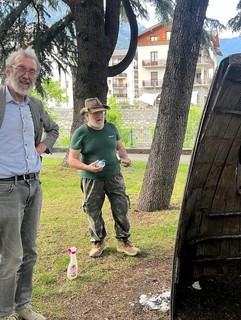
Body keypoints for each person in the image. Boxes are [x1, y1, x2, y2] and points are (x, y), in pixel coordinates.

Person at [0, 47, 59, 320]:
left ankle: (23, 306)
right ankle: (4, 312)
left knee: (30, 252)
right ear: (8, 70)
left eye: (32, 71)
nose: (26, 76)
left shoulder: (34, 105)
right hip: (6, 189)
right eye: (21, 69)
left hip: (34, 186)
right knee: (11, 256)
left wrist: (43, 146)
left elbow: (54, 129)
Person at [68, 97, 140, 258]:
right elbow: (71, 160)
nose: (100, 116)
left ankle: (123, 241)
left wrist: (125, 158)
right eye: (95, 113)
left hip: (114, 177)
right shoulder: (81, 133)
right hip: (91, 180)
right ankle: (98, 241)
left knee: (121, 208)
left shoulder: (111, 128)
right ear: (87, 115)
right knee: (93, 211)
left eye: (101, 112)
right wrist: (88, 168)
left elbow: (119, 147)